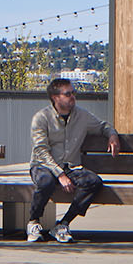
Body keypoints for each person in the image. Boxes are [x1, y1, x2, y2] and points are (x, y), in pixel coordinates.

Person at [27, 76, 117, 243]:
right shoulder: (41, 118)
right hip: (43, 166)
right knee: (45, 182)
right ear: (55, 98)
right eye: (67, 94)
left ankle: (63, 224)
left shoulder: (82, 115)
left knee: (93, 181)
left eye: (73, 93)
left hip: (71, 167)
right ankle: (33, 222)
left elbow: (103, 126)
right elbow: (41, 150)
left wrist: (112, 135)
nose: (72, 97)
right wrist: (60, 175)